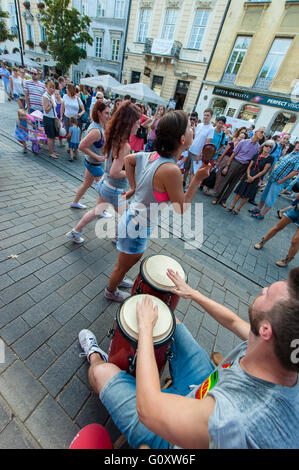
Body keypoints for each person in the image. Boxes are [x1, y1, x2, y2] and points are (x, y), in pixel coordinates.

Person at [77, 262, 299, 449]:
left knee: (101, 373)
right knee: (171, 323)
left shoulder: (235, 419)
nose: (264, 288)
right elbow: (232, 321)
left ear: (266, 331)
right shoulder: (282, 350)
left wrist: (145, 328)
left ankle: (96, 356)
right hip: (207, 386)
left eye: (268, 294)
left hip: (179, 436)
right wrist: (193, 293)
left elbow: (149, 409)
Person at [104, 110, 211, 302]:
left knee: (123, 263)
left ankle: (118, 279)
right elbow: (182, 208)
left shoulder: (154, 155)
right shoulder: (171, 170)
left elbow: (129, 161)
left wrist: (134, 188)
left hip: (132, 219)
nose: (192, 129)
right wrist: (196, 179)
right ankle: (111, 291)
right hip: (137, 227)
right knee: (121, 266)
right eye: (189, 127)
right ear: (181, 138)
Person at [66, 101, 141, 245]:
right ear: (129, 123)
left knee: (97, 211)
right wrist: (132, 172)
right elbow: (115, 172)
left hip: (105, 184)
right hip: (114, 189)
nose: (139, 125)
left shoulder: (114, 136)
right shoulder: (124, 145)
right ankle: (117, 237)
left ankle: (75, 232)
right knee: (126, 216)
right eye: (137, 122)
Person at [69, 101, 111, 211]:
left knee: (86, 184)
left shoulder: (101, 126)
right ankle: (100, 211)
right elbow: (81, 146)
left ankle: (75, 203)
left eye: (109, 113)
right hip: (94, 164)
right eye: (106, 113)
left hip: (91, 162)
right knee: (105, 189)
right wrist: (97, 157)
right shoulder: (96, 131)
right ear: (98, 113)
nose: (109, 116)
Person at [212, 127, 266, 208]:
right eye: (261, 132)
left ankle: (224, 200)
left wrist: (244, 173)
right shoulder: (243, 142)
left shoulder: (258, 148)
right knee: (225, 180)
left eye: (264, 133)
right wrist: (227, 166)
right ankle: (217, 197)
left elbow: (252, 161)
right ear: (255, 132)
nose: (263, 134)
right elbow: (233, 154)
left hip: (244, 167)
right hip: (235, 162)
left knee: (233, 184)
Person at [250, 141, 299, 220]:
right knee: (264, 195)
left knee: (271, 198)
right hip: (273, 177)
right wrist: (270, 174)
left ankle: (262, 214)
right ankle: (258, 209)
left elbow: (295, 171)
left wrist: (282, 180)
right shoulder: (291, 153)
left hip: (279, 181)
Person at [227, 140, 274, 215]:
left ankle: (238, 209)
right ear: (263, 146)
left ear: (271, 149)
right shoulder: (256, 155)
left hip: (256, 178)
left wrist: (253, 178)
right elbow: (249, 166)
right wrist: (248, 175)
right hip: (248, 175)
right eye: (266, 145)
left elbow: (264, 170)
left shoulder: (270, 158)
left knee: (247, 195)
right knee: (239, 192)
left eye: (270, 147)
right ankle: (232, 206)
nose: (268, 147)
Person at [254, 193, 299, 267]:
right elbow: (297, 196)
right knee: (278, 227)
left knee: (295, 240)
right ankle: (262, 242)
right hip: (296, 210)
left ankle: (287, 260)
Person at [183, 108, 214, 188]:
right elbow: (194, 137)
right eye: (204, 115)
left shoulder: (211, 129)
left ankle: (189, 188)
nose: (205, 117)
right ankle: (183, 182)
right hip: (191, 150)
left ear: (211, 117)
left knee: (193, 172)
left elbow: (207, 144)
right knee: (186, 168)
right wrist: (189, 146)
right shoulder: (199, 125)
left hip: (197, 153)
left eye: (208, 115)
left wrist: (200, 154)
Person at [201, 116, 227, 195]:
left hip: (214, 155)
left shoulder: (222, 135)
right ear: (216, 122)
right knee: (201, 167)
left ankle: (202, 184)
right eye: (219, 123)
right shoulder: (211, 130)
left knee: (207, 170)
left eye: (222, 124)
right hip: (206, 153)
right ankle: (198, 181)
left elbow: (222, 145)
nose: (220, 125)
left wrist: (217, 152)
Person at [42, 79, 59, 160]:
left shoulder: (52, 96)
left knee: (53, 136)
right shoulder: (45, 96)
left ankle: (52, 151)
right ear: (46, 87)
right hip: (48, 118)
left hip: (53, 117)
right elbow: (46, 110)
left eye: (53, 87)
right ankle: (51, 152)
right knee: (50, 136)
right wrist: (52, 103)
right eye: (50, 87)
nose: (52, 89)